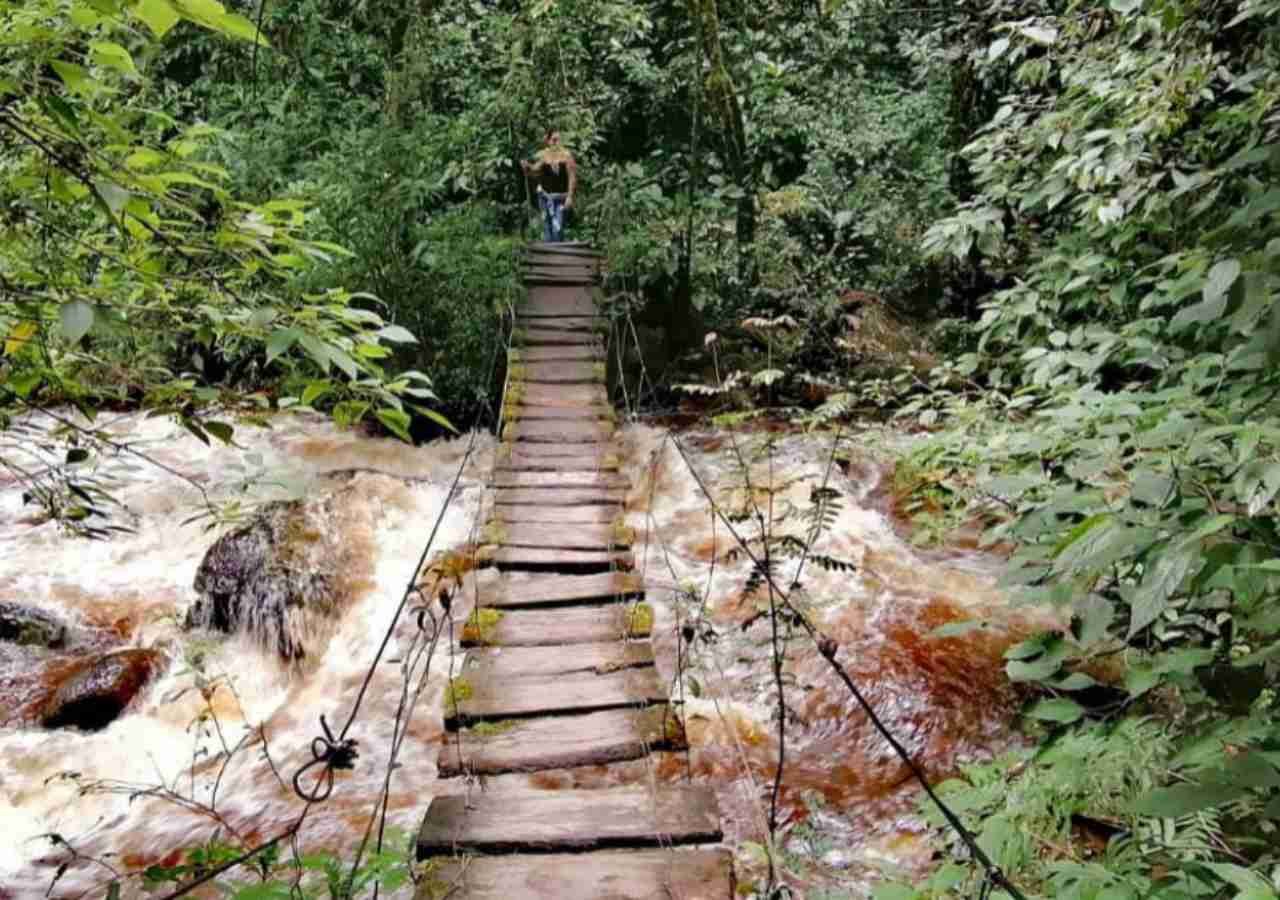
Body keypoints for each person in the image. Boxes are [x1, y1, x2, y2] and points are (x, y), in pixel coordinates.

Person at [520, 130, 577, 243]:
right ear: (548, 141)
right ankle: (547, 251)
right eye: (554, 140)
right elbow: (535, 172)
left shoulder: (566, 156)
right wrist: (527, 167)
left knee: (558, 228)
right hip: (545, 197)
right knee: (547, 226)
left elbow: (572, 177)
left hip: (561, 197)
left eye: (558, 140)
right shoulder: (545, 155)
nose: (556, 143)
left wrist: (570, 196)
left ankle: (558, 251)